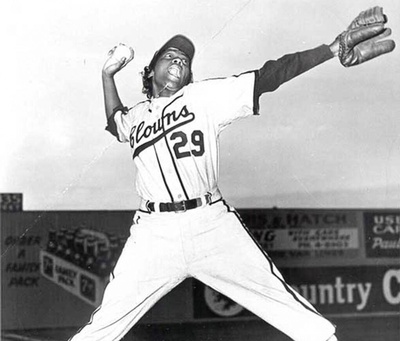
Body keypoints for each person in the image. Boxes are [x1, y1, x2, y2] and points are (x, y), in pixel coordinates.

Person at [69, 7, 394, 341]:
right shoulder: (136, 117)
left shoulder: (203, 97)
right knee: (103, 325)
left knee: (282, 302)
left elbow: (271, 74)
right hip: (154, 234)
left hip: (210, 225)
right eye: (171, 56)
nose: (180, 61)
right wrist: (107, 75)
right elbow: (115, 122)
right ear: (150, 71)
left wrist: (330, 49)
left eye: (185, 60)